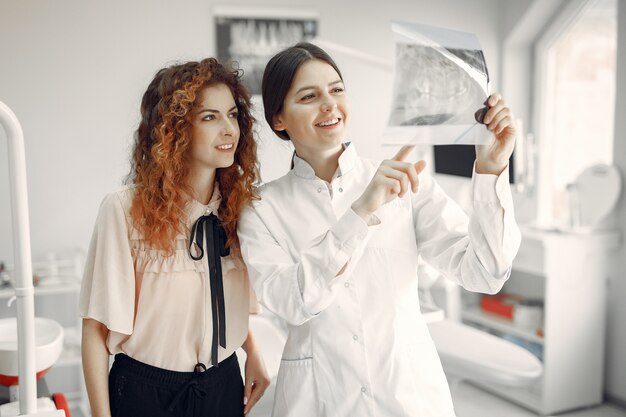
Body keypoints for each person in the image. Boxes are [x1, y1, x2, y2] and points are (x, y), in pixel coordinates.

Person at [237, 42, 521, 417]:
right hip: (320, 398)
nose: (329, 105)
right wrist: (360, 212)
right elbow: (293, 301)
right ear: (278, 119)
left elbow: (486, 274)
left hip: (408, 396)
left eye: (337, 90)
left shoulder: (406, 180)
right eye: (309, 96)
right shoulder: (261, 208)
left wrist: (491, 170)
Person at [79, 58, 270, 417]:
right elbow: (95, 330)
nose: (229, 129)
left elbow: (216, 301)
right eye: (210, 117)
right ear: (175, 129)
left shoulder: (240, 209)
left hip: (223, 383)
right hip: (144, 392)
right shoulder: (124, 209)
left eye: (232, 115)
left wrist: (252, 352)